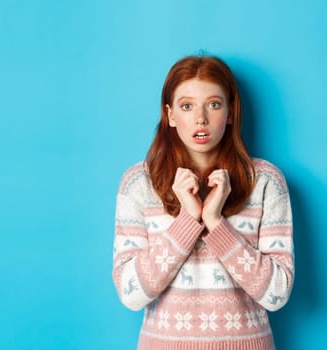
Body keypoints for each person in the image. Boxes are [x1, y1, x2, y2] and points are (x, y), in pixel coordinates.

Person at [111, 55, 294, 349]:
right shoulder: (138, 184)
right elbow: (131, 294)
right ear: (170, 115)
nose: (201, 119)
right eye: (187, 106)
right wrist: (188, 221)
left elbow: (276, 294)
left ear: (231, 112)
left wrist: (216, 224)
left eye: (213, 104)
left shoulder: (266, 181)